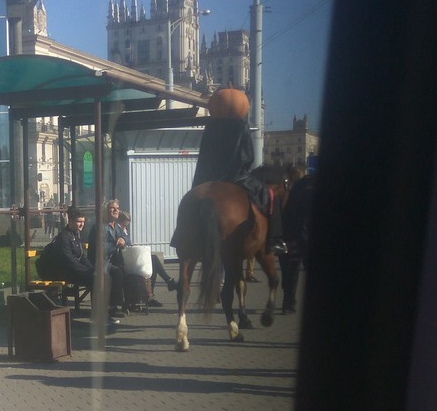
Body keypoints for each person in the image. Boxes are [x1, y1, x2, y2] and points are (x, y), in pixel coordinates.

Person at [192, 117, 287, 255]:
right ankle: (275, 241)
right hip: (236, 175)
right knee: (271, 196)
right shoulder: (240, 124)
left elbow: (204, 154)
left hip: (209, 175)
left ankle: (180, 236)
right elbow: (246, 155)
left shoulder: (211, 125)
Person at [116, 211, 178, 307]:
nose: (126, 226)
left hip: (128, 256)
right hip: (123, 259)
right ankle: (166, 283)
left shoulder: (123, 230)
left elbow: (127, 241)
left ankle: (153, 294)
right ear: (120, 221)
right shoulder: (118, 229)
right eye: (125, 224)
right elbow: (124, 241)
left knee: (152, 261)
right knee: (153, 259)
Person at [279, 173, 315, 314]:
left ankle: (288, 302)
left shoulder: (298, 187)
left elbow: (289, 213)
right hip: (303, 234)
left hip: (293, 234)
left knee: (291, 270)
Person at [87, 199, 128, 322]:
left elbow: (126, 237)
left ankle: (115, 306)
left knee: (127, 271)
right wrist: (117, 244)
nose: (116, 210)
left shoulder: (116, 226)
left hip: (112, 261)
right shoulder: (100, 227)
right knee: (116, 274)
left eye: (117, 207)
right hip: (100, 263)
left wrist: (123, 240)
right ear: (106, 211)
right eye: (112, 208)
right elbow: (101, 248)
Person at [35, 205, 94, 290]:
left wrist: (92, 269)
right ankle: (98, 302)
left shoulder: (75, 235)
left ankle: (106, 302)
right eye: (79, 222)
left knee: (98, 276)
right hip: (61, 273)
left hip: (71, 271)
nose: (82, 224)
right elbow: (68, 260)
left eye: (83, 222)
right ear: (70, 221)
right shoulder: (64, 237)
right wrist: (86, 271)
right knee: (94, 279)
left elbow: (82, 257)